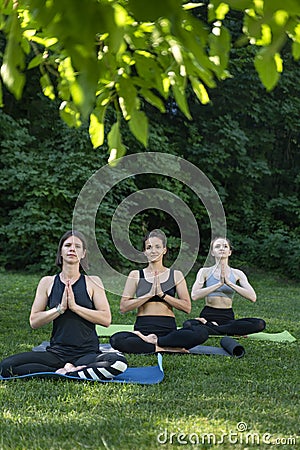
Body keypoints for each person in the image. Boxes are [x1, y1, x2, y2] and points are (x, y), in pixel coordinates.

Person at [0, 230, 128, 380]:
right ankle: (70, 371)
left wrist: (75, 307)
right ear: (61, 251)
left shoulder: (93, 282)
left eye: (77, 246)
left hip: (87, 354)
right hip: (56, 354)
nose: (72, 249)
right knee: (5, 366)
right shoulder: (47, 282)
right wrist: (60, 309)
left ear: (83, 253)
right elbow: (34, 321)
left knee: (119, 363)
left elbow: (106, 319)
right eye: (67, 245)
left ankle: (64, 372)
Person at [110, 229, 209, 353]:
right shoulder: (135, 275)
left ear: (164, 250)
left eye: (157, 247)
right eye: (149, 247)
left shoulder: (176, 275)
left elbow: (187, 307)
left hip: (168, 331)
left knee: (202, 332)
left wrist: (162, 294)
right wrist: (149, 295)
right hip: (143, 330)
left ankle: (155, 345)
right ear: (145, 252)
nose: (153, 251)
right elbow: (124, 307)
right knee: (116, 339)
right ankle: (167, 348)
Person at [183, 237, 266, 336]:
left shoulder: (237, 273)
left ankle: (212, 327)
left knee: (260, 324)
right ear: (213, 252)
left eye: (225, 246)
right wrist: (219, 284)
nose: (222, 248)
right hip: (208, 315)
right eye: (217, 246)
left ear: (229, 252)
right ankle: (229, 330)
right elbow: (194, 295)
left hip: (228, 317)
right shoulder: (204, 271)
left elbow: (252, 297)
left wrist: (229, 283)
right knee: (188, 324)